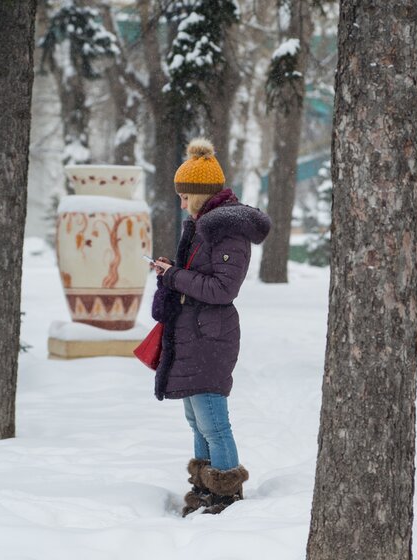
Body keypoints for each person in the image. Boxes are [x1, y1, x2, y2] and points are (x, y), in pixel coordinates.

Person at [150, 137, 271, 515]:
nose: (182, 204)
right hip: (193, 333)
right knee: (195, 419)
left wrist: (175, 278)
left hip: (210, 335)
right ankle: (204, 489)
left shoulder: (228, 232)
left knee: (213, 421)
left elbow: (222, 288)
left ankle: (225, 494)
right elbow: (200, 277)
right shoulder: (203, 227)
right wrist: (173, 271)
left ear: (202, 194)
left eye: (186, 196)